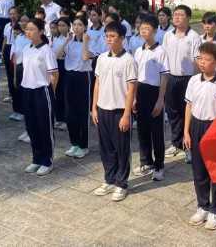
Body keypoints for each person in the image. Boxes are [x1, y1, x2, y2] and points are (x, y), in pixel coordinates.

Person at [184, 41, 216, 230]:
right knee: (199, 171)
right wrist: (186, 132)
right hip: (196, 126)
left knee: (215, 172)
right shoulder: (194, 80)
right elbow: (188, 105)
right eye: (200, 58)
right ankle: (202, 206)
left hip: (214, 128)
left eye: (207, 59)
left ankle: (215, 211)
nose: (202, 63)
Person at [92, 21, 137, 201]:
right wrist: (94, 107)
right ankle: (109, 179)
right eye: (107, 36)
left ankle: (121, 183)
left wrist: (127, 115)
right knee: (106, 148)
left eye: (113, 37)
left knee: (121, 149)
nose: (109, 40)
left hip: (120, 111)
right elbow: (97, 83)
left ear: (122, 39)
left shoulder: (129, 60)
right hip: (103, 109)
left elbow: (131, 88)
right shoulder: (102, 58)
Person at [162, 4, 201, 160]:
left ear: (188, 17)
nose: (177, 17)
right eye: (175, 14)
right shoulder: (168, 36)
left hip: (187, 79)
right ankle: (176, 143)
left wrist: (197, 82)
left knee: (187, 113)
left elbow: (197, 61)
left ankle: (188, 147)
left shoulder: (193, 37)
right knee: (172, 112)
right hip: (171, 77)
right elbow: (164, 57)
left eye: (180, 15)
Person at [132, 13, 168, 180]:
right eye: (141, 28)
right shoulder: (138, 51)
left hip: (155, 93)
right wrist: (133, 98)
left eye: (147, 29)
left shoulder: (160, 52)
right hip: (141, 92)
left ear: (154, 31)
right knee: (142, 129)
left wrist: (161, 100)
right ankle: (146, 161)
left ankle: (159, 165)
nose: (143, 31)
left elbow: (164, 76)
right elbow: (136, 76)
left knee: (156, 131)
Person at [21, 18, 58, 175]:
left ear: (41, 32)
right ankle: (36, 158)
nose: (28, 32)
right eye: (27, 29)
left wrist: (51, 92)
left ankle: (47, 160)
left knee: (44, 127)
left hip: (42, 91)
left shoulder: (46, 50)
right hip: (27, 90)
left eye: (32, 29)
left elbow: (54, 74)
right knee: (31, 127)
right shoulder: (26, 49)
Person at [63, 13, 94, 159]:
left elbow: (85, 57)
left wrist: (85, 42)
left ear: (85, 27)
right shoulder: (69, 41)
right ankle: (74, 143)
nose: (76, 27)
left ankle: (83, 145)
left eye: (80, 25)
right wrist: (66, 41)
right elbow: (57, 55)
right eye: (74, 25)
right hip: (69, 77)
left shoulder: (90, 40)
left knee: (82, 112)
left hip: (83, 77)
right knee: (70, 112)